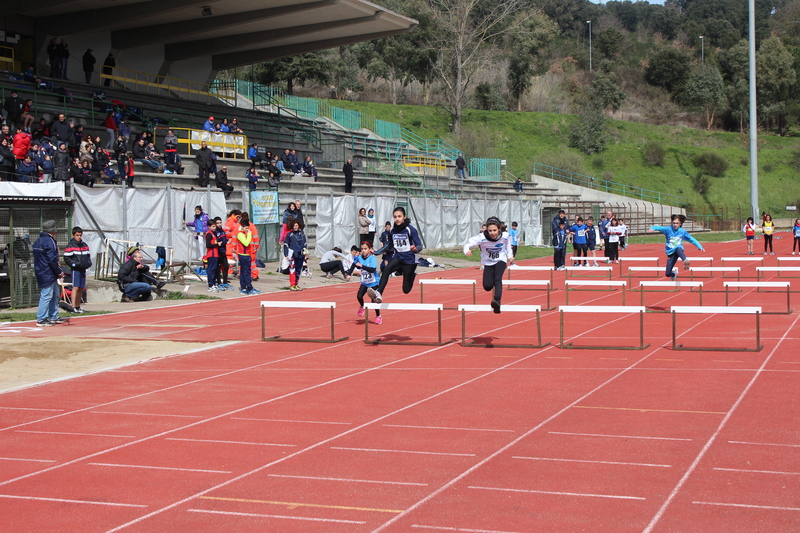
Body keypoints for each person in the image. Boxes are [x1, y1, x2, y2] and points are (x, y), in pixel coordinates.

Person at [368, 206, 422, 303]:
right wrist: (376, 252)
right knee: (386, 269)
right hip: (398, 257)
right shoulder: (392, 231)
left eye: (399, 216)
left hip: (410, 260)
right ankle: (379, 293)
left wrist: (415, 249)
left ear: (404, 217)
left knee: (406, 290)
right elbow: (389, 246)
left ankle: (412, 275)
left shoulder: (410, 229)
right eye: (395, 217)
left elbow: (419, 245)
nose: (397, 219)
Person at [463, 217, 514, 313]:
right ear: (487, 230)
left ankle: (497, 301)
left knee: (497, 278)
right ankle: (494, 290)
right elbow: (467, 244)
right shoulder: (481, 237)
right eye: (490, 230)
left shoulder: (505, 236)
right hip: (488, 262)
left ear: (499, 229)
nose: (492, 233)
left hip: (500, 260)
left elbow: (508, 246)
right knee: (487, 286)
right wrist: (466, 251)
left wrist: (510, 256)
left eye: (495, 230)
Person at [648, 214, 705, 281]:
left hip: (678, 249)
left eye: (677, 223)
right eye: (674, 223)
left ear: (680, 224)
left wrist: (699, 246)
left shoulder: (682, 231)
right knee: (667, 273)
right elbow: (659, 228)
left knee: (678, 248)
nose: (675, 225)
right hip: (670, 252)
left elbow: (691, 239)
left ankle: (685, 260)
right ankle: (674, 274)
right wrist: (652, 228)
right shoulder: (668, 229)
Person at [33, 220, 65, 326]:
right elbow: (52, 260)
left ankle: (53, 315)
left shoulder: (38, 240)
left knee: (54, 293)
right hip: (47, 272)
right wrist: (59, 271)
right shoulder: (49, 241)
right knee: (47, 295)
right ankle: (41, 318)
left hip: (41, 270)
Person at [351, 241, 382, 324]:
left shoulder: (372, 258)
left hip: (373, 282)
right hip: (364, 282)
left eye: (365, 249)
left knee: (373, 301)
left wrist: (362, 266)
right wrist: (348, 273)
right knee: (359, 296)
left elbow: (372, 269)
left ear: (370, 249)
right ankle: (362, 306)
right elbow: (354, 264)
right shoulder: (360, 257)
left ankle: (378, 316)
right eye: (362, 249)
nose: (363, 250)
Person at [63, 226, 91, 313]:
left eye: (80, 235)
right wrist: (74, 264)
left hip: (83, 269)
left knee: (81, 288)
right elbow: (67, 258)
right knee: (75, 287)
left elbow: (88, 256)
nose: (79, 237)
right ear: (73, 235)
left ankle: (78, 306)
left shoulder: (84, 245)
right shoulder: (70, 246)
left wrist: (88, 263)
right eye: (77, 235)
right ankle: (73, 306)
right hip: (76, 270)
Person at [233, 212, 260, 295]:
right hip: (244, 255)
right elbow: (246, 243)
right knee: (246, 272)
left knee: (243, 271)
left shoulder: (243, 232)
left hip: (246, 254)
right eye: (246, 228)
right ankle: (249, 287)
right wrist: (249, 234)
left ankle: (244, 288)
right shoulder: (241, 234)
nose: (248, 230)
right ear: (243, 227)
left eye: (248, 228)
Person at [285, 218, 308, 291]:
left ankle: (296, 283)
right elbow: (286, 245)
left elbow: (305, 244)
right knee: (292, 270)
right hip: (292, 255)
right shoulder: (289, 234)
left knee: (298, 269)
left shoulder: (302, 234)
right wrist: (286, 255)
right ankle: (292, 284)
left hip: (300, 254)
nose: (295, 227)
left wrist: (306, 253)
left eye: (297, 225)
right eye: (294, 225)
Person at [212, 217, 232, 290]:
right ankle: (219, 282)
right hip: (218, 252)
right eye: (218, 223)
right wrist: (224, 242)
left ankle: (225, 282)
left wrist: (227, 240)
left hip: (223, 252)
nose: (219, 224)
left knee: (226, 266)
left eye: (220, 222)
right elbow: (217, 242)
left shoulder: (223, 231)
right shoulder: (215, 232)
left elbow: (223, 240)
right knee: (218, 268)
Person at [204, 218, 221, 292]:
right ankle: (210, 285)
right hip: (211, 255)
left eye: (215, 226)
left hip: (215, 255)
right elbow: (208, 245)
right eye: (213, 226)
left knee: (215, 270)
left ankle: (213, 283)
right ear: (209, 226)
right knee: (211, 270)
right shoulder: (209, 234)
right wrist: (216, 244)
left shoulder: (213, 233)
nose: (215, 228)